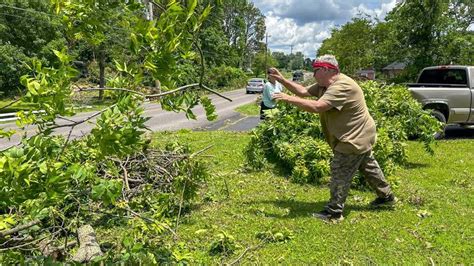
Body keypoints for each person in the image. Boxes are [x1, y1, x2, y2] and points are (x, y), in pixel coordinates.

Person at [270, 54, 396, 222]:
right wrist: (282, 80)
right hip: (360, 134)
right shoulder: (326, 84)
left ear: (326, 70)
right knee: (369, 167)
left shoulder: (342, 86)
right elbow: (303, 91)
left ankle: (334, 212)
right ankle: (386, 197)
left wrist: (287, 98)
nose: (313, 74)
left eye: (315, 70)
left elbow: (318, 106)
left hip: (354, 137)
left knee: (340, 171)